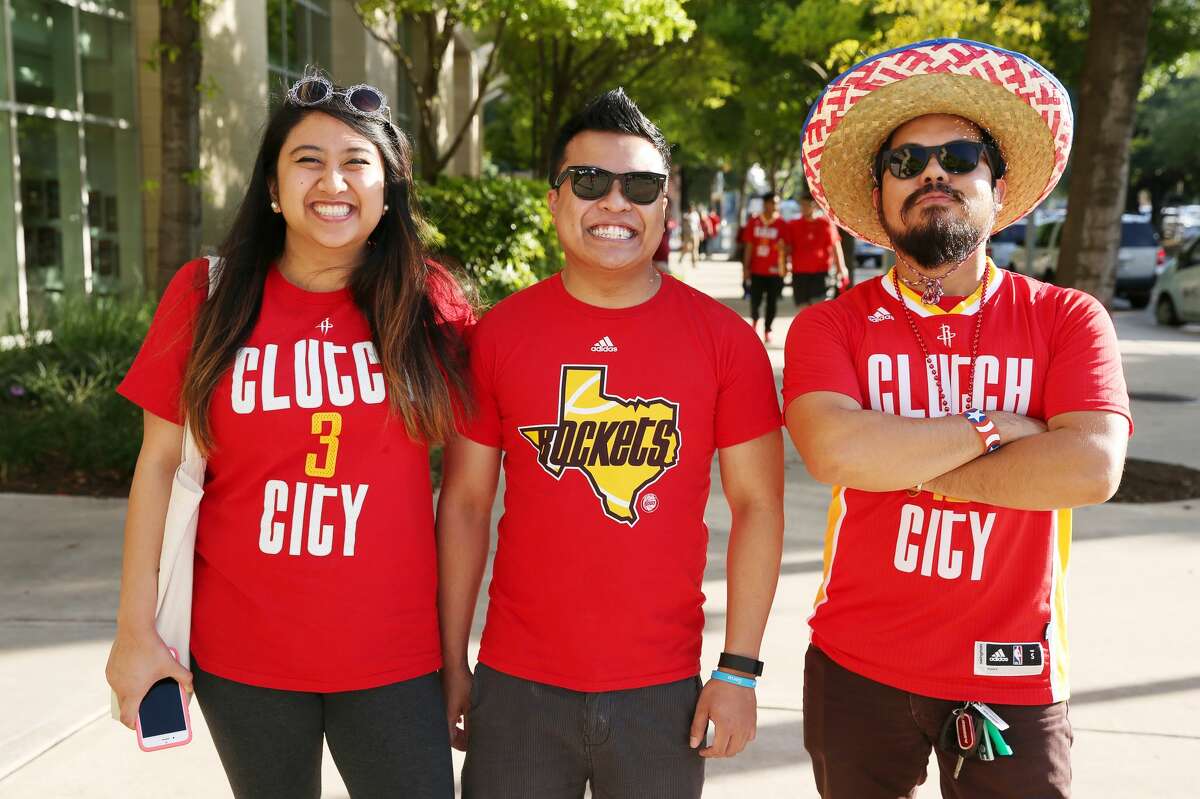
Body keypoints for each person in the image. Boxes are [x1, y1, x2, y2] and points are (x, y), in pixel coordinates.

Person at [105, 69, 471, 798]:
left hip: (395, 655)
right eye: (307, 160)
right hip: (244, 656)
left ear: (388, 187)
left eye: (355, 162)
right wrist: (133, 631)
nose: (332, 181)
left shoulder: (429, 303)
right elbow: (157, 466)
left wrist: (456, 654)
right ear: (272, 188)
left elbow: (467, 492)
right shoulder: (206, 295)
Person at [786, 38, 1132, 798]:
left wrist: (903, 458)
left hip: (1013, 667)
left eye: (959, 155)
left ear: (997, 186)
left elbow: (1090, 466)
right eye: (905, 163)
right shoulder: (829, 326)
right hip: (855, 662)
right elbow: (836, 450)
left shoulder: (1067, 318)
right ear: (878, 196)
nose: (933, 173)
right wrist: (998, 427)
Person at [437, 88, 784, 799]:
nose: (616, 203)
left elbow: (758, 505)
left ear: (666, 205)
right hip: (516, 686)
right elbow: (467, 503)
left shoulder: (725, 342)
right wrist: (450, 658)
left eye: (642, 185)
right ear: (555, 199)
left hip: (662, 695)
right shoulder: (500, 335)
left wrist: (738, 668)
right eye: (590, 182)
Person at [785, 194, 848, 308]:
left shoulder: (826, 224)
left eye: (807, 205)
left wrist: (841, 268)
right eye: (802, 205)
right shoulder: (792, 225)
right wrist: (784, 265)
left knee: (819, 307)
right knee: (802, 309)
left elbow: (836, 246)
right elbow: (787, 249)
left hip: (821, 273)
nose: (804, 208)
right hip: (799, 273)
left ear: (815, 206)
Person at [740, 193, 788, 342]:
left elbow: (787, 248)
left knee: (772, 302)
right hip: (756, 270)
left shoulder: (781, 224)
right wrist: (746, 267)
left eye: (777, 203)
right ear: (765, 204)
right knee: (755, 300)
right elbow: (748, 245)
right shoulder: (754, 222)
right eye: (773, 203)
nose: (775, 206)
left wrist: (785, 263)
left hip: (775, 271)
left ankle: (768, 329)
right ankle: (754, 323)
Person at [682, 202, 703, 268]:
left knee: (695, 248)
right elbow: (683, 224)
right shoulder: (686, 215)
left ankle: (695, 263)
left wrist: (701, 232)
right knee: (687, 247)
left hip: (695, 233)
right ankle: (681, 258)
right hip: (688, 234)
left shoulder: (696, 215)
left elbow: (699, 224)